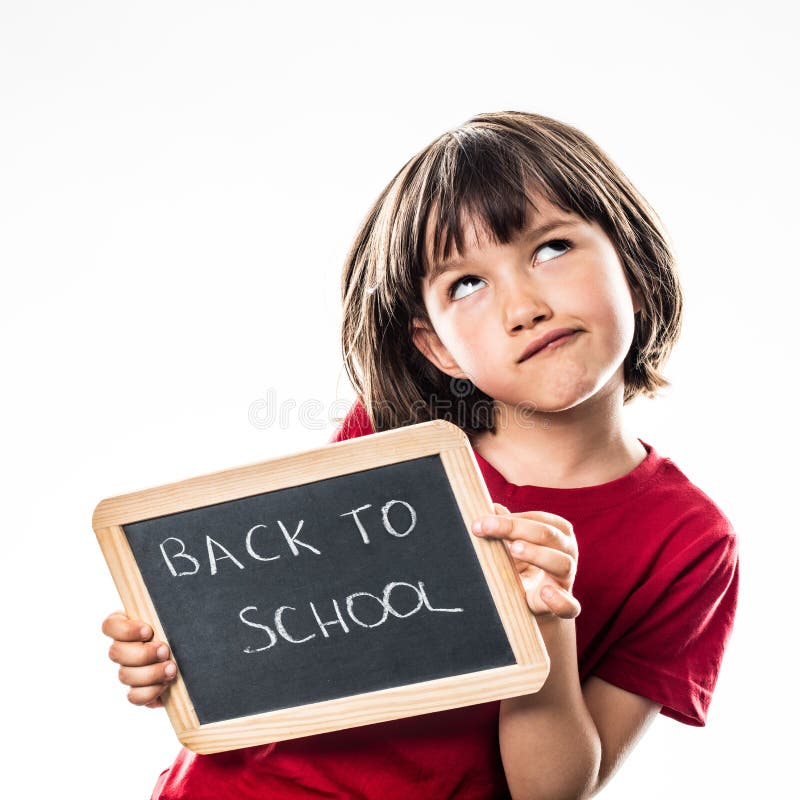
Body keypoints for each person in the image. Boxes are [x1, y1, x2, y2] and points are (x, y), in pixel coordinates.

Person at [102, 111, 739, 799]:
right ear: (437, 347)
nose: (522, 306)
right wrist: (176, 656)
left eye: (551, 248)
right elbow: (285, 631)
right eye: (466, 284)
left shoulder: (689, 544)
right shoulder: (389, 439)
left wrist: (547, 628)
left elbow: (552, 793)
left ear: (633, 269)